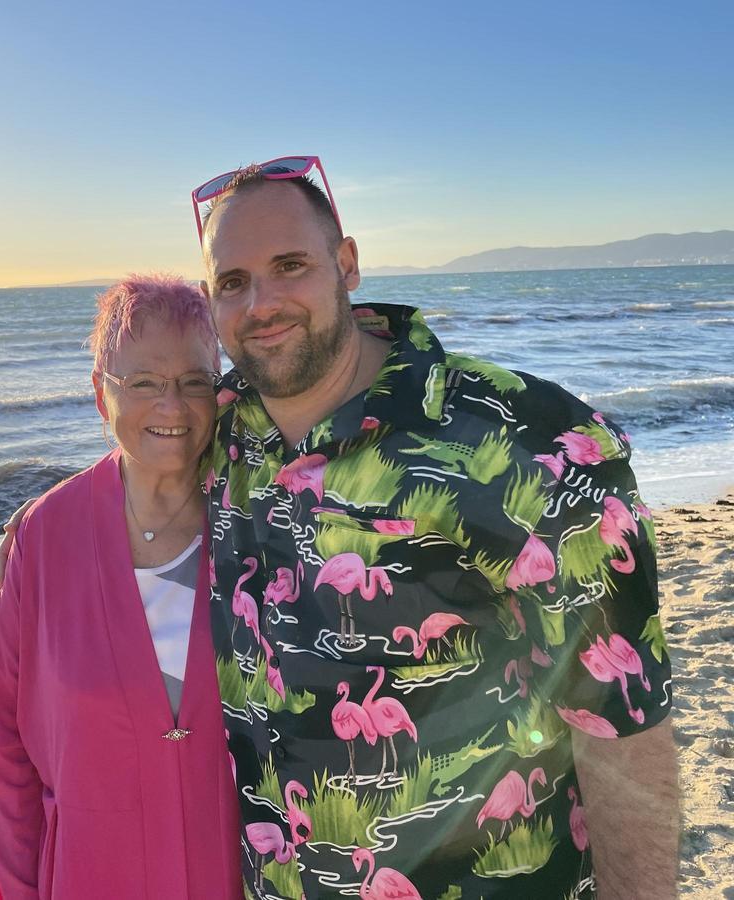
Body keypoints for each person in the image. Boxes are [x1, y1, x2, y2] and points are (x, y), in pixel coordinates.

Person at [195, 157, 677, 899]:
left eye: (289, 265)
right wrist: (37, 536)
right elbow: (134, 462)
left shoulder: (530, 443)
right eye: (232, 281)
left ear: (346, 264)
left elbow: (625, 730)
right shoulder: (219, 438)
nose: (260, 302)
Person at [0, 274, 243, 899]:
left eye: (194, 382)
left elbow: (317, 342)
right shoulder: (44, 539)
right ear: (102, 394)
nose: (171, 407)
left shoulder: (260, 518)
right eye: (143, 382)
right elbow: (3, 754)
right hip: (92, 876)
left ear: (221, 390)